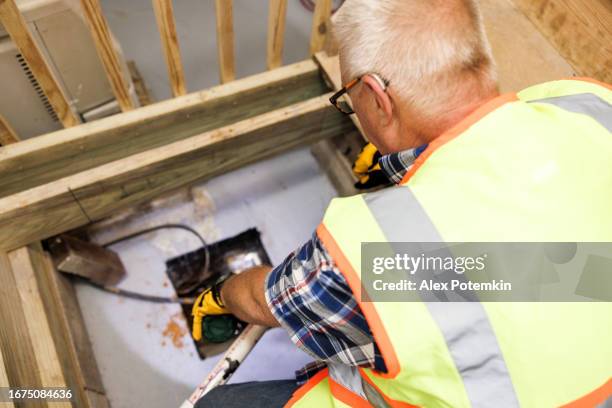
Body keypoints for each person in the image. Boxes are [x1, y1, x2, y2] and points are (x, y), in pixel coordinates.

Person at [193, 0, 612, 406]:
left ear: (376, 97)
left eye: (348, 99)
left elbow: (268, 300)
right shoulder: (590, 105)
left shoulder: (382, 261)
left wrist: (222, 295)